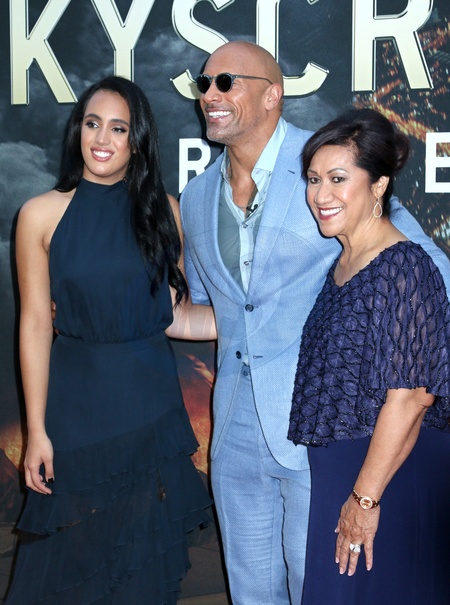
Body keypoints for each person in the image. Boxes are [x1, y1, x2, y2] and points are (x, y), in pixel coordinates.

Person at [179, 41, 450, 604]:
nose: (209, 94)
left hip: (324, 433)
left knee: (323, 590)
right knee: (251, 594)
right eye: (203, 83)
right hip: (234, 431)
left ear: (273, 94)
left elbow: (424, 275)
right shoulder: (197, 196)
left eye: (226, 81)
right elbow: (225, 315)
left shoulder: (331, 164)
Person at [7, 76, 215, 605]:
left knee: (139, 565)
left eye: (118, 128)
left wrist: (258, 317)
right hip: (75, 411)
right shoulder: (39, 214)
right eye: (92, 123)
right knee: (71, 563)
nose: (101, 138)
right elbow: (35, 325)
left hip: (150, 411)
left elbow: (175, 317)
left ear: (137, 141)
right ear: (77, 130)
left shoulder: (166, 210)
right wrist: (37, 431)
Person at [288, 108, 450, 604]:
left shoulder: (403, 266)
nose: (321, 195)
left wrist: (364, 499)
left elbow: (413, 397)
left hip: (385, 478)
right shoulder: (345, 262)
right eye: (314, 179)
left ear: (378, 185)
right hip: (347, 473)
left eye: (338, 179)